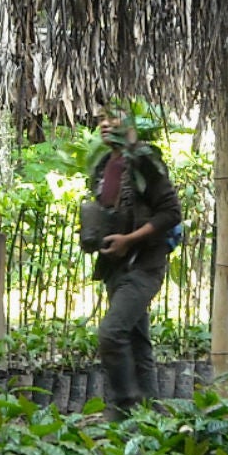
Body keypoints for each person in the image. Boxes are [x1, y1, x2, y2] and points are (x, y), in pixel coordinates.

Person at [85, 102, 182, 416]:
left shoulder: (145, 162)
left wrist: (129, 239)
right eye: (101, 119)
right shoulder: (102, 165)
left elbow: (171, 213)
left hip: (144, 266)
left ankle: (124, 410)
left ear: (129, 122)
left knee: (111, 333)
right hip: (115, 267)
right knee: (138, 343)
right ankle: (152, 418)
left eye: (112, 117)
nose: (105, 124)